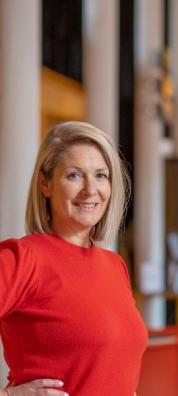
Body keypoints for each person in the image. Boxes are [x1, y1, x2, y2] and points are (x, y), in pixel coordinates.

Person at [0, 121, 147, 396]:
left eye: (101, 176)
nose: (91, 190)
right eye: (74, 176)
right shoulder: (22, 258)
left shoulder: (115, 266)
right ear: (45, 184)